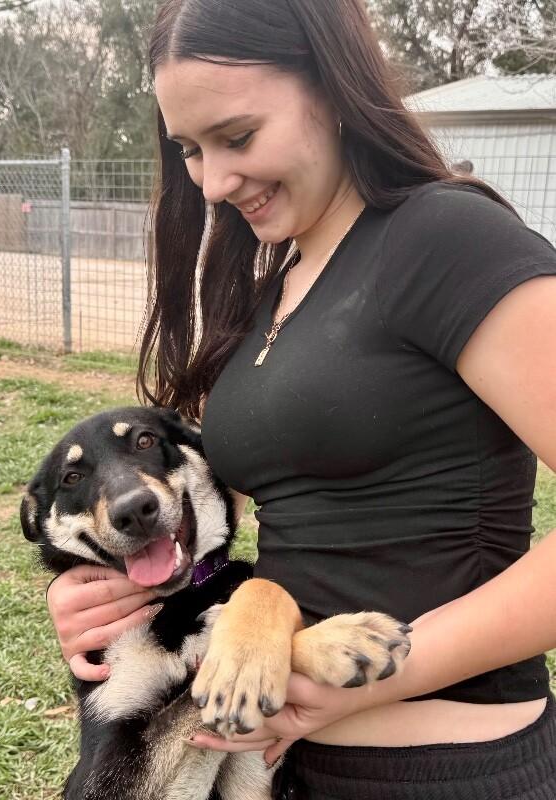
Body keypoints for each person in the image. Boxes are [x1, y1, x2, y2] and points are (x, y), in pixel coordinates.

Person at [46, 0, 556, 797]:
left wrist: (374, 673)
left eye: (237, 137)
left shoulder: (447, 240)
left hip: (436, 771)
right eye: (189, 149)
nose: (213, 183)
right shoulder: (270, 289)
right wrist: (109, 595)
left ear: (332, 88)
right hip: (275, 769)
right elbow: (289, 514)